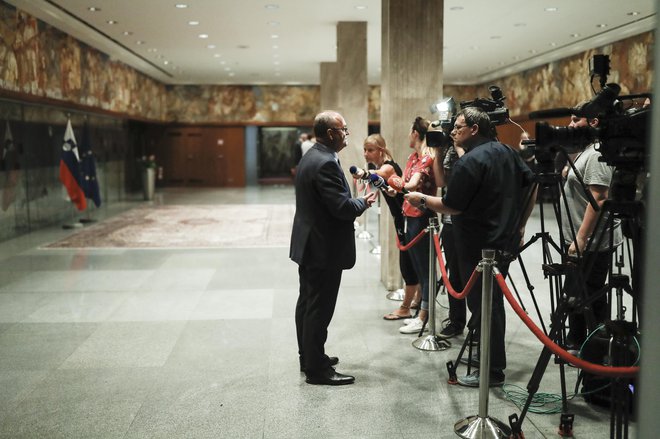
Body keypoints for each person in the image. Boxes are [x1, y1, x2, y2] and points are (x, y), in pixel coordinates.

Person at [405, 107, 535, 387]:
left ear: (475, 129)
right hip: (504, 240)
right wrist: (521, 223)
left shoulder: (471, 162)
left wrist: (421, 200)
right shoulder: (509, 152)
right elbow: (532, 185)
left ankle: (492, 370)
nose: (453, 131)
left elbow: (452, 206)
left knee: (485, 306)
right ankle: (488, 358)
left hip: (478, 245)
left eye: (459, 126)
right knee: (491, 304)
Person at [290, 110, 377, 386]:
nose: (346, 134)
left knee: (307, 303)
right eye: (344, 129)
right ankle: (317, 370)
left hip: (310, 243)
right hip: (323, 247)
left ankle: (310, 356)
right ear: (331, 133)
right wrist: (364, 200)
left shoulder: (312, 156)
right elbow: (341, 208)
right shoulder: (325, 162)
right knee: (318, 308)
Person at [560, 111, 622, 354]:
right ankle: (577, 339)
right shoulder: (587, 149)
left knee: (590, 293)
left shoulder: (597, 153)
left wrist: (580, 239)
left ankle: (595, 346)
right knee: (577, 291)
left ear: (594, 121)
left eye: (576, 120)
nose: (570, 124)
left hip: (593, 240)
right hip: (582, 237)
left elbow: (599, 196)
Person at [360, 133, 421, 320]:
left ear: (381, 150)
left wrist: (362, 174)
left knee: (408, 262)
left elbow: (375, 175)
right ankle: (418, 300)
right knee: (413, 260)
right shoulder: (386, 165)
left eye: (370, 150)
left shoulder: (386, 167)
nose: (365, 154)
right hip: (404, 217)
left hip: (407, 217)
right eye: (364, 150)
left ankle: (405, 308)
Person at [396, 117, 438, 335]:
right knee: (419, 268)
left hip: (423, 215)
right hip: (409, 213)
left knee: (426, 269)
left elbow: (409, 185)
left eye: (410, 132)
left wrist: (393, 181)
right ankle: (420, 312)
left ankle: (424, 316)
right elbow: (403, 183)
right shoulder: (413, 157)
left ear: (415, 133)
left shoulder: (427, 157)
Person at [432, 127, 467, 339]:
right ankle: (456, 321)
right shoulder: (448, 151)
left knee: (471, 275)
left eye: (458, 128)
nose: (453, 131)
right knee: (454, 275)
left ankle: (478, 325)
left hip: (468, 220)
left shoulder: (472, 152)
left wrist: (459, 147)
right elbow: (439, 182)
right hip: (449, 221)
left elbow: (468, 171)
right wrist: (438, 152)